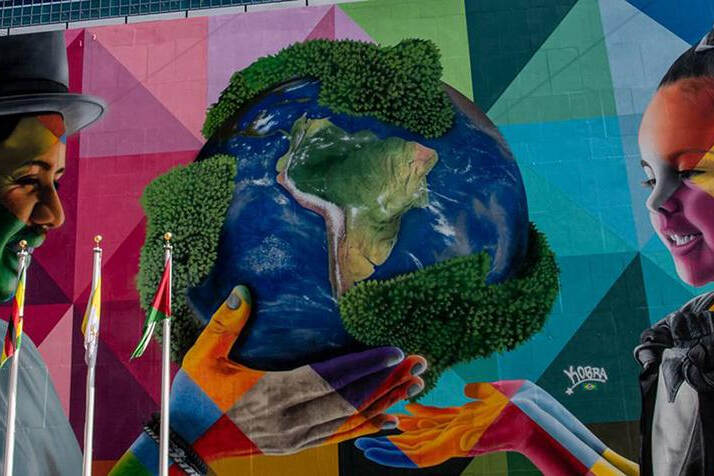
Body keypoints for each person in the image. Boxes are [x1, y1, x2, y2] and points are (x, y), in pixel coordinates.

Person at [0, 31, 425, 475]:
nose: (54, 215)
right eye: (26, 179)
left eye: (57, 181)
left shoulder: (18, 357)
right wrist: (184, 435)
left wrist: (185, 435)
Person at [355, 24, 714, 476]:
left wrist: (534, 431)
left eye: (689, 172)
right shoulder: (692, 326)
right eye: (650, 177)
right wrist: (533, 417)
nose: (656, 202)